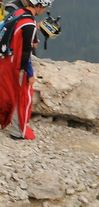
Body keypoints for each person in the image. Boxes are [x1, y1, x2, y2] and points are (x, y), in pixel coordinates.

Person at [0, 0, 53, 140]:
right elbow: (26, 51)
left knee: (6, 93)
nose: (44, 10)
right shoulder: (29, 22)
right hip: (16, 64)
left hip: (5, 59)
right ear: (39, 5)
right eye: (45, 7)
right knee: (23, 95)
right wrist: (29, 73)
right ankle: (18, 131)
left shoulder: (17, 13)